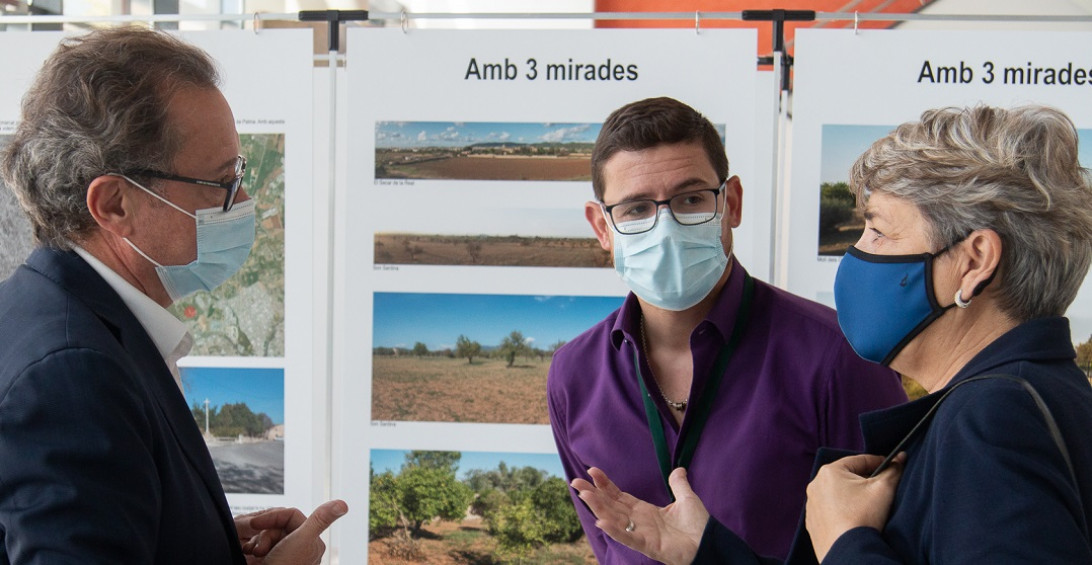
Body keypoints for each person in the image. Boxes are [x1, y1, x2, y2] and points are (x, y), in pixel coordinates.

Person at [572, 104, 1092, 564]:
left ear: (974, 260)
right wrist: (708, 551)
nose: (858, 255)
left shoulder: (996, 416)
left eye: (879, 231)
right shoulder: (1019, 396)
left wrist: (846, 541)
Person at [0, 27, 345, 563]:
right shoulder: (71, 374)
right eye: (222, 181)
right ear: (115, 204)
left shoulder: (40, 310)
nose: (245, 201)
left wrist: (201, 542)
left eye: (241, 174)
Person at [546, 96, 907, 563]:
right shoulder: (572, 375)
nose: (666, 229)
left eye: (691, 199)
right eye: (636, 209)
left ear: (730, 203)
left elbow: (886, 552)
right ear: (602, 227)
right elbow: (607, 547)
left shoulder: (838, 357)